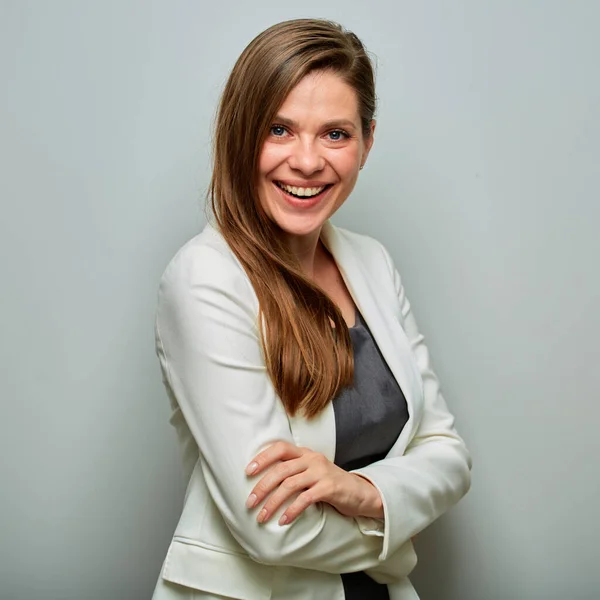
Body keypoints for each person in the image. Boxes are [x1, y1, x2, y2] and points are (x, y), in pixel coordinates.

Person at [152, 18, 472, 600]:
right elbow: (271, 529)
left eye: (335, 134)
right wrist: (395, 538)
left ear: (367, 142)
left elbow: (449, 457)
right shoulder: (205, 279)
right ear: (239, 135)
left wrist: (364, 495)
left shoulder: (371, 263)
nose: (306, 161)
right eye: (279, 129)